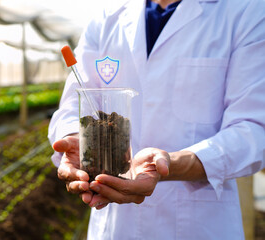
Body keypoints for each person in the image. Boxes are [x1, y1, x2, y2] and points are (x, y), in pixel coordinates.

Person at [47, 0, 265, 239]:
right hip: (116, 225)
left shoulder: (246, 10)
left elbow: (254, 128)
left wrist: (173, 163)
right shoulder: (106, 18)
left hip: (198, 225)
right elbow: (73, 104)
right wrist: (73, 139)